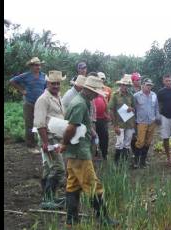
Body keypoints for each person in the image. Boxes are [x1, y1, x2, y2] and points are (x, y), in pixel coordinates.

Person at [59, 76, 118, 227]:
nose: (98, 95)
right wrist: (64, 144)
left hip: (77, 150)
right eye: (96, 92)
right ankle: (104, 218)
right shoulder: (80, 104)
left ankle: (71, 219)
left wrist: (91, 132)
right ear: (89, 90)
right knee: (93, 184)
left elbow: (81, 123)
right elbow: (71, 127)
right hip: (79, 151)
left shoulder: (83, 101)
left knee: (73, 184)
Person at [33, 70, 66, 209]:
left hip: (57, 137)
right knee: (59, 169)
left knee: (48, 168)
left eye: (58, 83)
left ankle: (49, 197)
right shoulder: (43, 99)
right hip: (50, 138)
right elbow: (40, 124)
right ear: (48, 83)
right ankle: (48, 200)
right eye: (53, 83)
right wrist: (46, 142)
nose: (56, 86)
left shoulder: (58, 96)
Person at [10, 57, 46, 154]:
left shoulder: (43, 76)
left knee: (41, 124)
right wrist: (22, 90)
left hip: (40, 104)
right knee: (29, 125)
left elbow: (46, 88)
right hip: (29, 103)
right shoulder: (26, 75)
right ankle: (31, 146)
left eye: (39, 65)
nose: (38, 67)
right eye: (35, 65)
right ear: (31, 66)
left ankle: (42, 144)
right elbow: (12, 81)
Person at [133, 78, 160, 169]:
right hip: (141, 122)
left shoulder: (154, 95)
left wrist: (157, 117)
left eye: (150, 85)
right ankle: (136, 161)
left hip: (152, 122)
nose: (149, 87)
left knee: (148, 142)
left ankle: (143, 161)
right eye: (147, 85)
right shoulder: (136, 96)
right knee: (140, 142)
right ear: (143, 85)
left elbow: (156, 107)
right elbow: (133, 109)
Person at [108, 75, 136, 165]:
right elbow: (110, 110)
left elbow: (134, 108)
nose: (124, 87)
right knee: (119, 143)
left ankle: (125, 162)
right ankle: (117, 163)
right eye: (123, 85)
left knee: (127, 143)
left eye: (126, 85)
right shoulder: (115, 95)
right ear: (120, 85)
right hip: (119, 123)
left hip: (129, 123)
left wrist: (131, 109)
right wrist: (115, 125)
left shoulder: (131, 95)